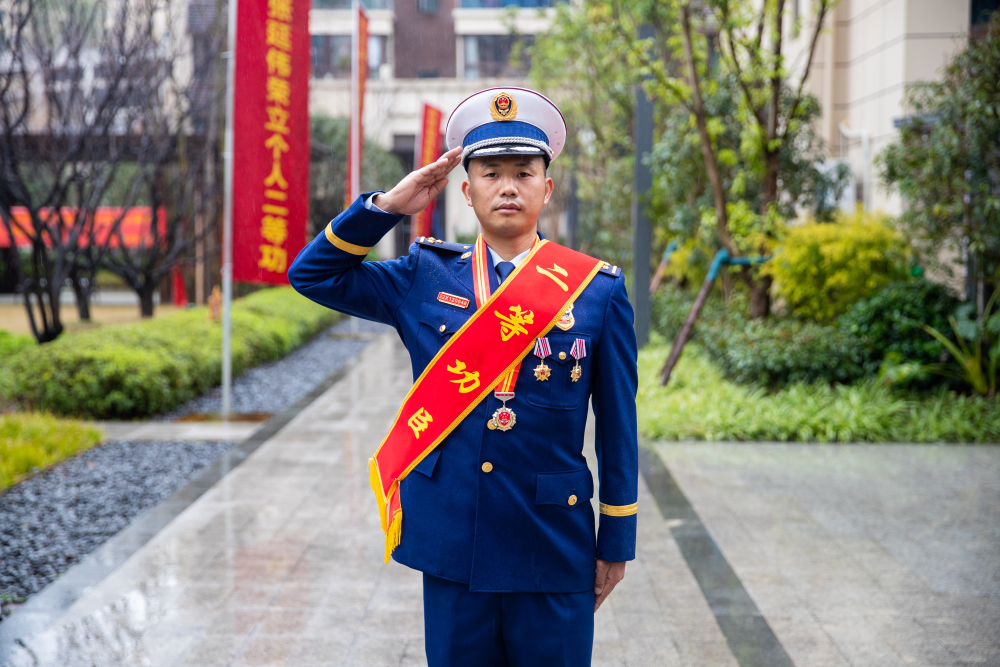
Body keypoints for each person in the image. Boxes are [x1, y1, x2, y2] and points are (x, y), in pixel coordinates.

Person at [288, 87, 638, 666]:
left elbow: (619, 427)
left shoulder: (596, 291)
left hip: (551, 539)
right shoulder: (422, 276)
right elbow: (314, 276)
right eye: (491, 173)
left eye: (523, 173)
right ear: (466, 190)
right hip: (455, 539)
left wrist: (616, 539)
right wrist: (388, 206)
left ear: (545, 189)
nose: (507, 186)